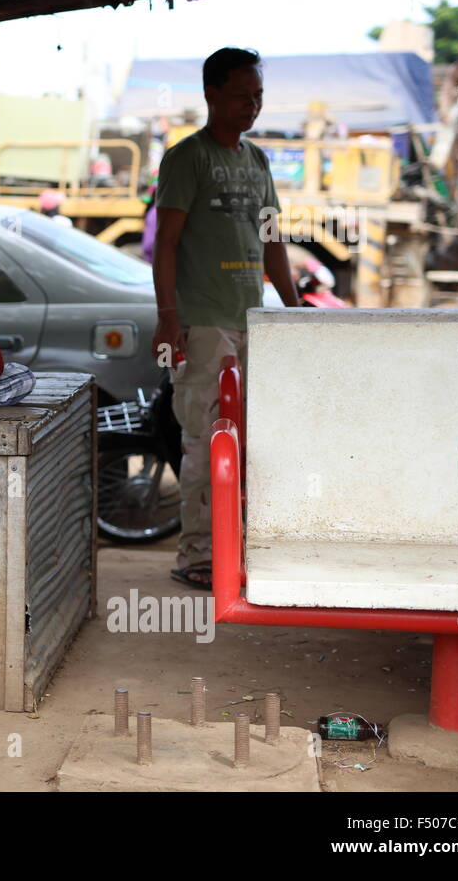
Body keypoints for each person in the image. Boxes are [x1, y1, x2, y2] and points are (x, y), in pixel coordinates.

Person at [150, 47, 300, 591]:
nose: (251, 107)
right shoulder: (186, 159)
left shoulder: (257, 161)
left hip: (252, 320)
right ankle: (196, 556)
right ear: (211, 94)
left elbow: (271, 241)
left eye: (257, 97)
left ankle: (235, 552)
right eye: (241, 96)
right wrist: (169, 318)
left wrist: (294, 308)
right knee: (203, 439)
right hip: (204, 323)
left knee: (248, 442)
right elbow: (165, 244)